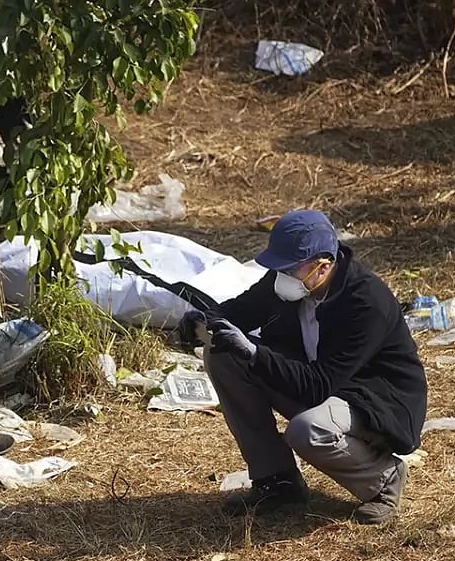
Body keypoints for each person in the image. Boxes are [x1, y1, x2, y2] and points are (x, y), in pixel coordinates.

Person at [179, 210, 428, 525]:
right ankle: (277, 481)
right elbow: (244, 309)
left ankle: (384, 478)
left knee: (309, 430)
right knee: (223, 355)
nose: (280, 276)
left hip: (373, 401)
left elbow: (317, 385)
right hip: (321, 382)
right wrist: (206, 319)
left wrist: (254, 353)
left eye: (289, 269)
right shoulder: (293, 281)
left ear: (323, 267)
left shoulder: (367, 303)